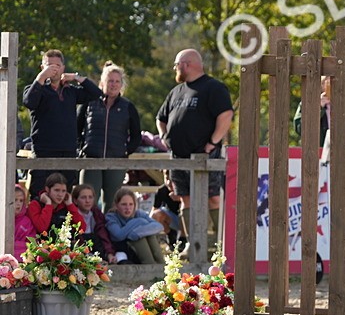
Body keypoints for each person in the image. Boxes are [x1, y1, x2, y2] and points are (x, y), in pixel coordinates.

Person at [156, 49, 233, 245]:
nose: (175, 69)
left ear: (186, 64)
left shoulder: (213, 87)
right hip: (179, 157)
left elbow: (225, 115)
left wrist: (212, 142)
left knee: (213, 198)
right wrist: (165, 136)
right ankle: (193, 245)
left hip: (205, 156)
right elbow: (160, 118)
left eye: (176, 65)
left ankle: (222, 247)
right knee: (185, 198)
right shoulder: (176, 91)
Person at [22, 49, 101, 197]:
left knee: (64, 196)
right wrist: (41, 77)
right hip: (43, 152)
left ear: (63, 68)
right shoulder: (36, 89)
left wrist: (76, 77)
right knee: (40, 195)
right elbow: (29, 102)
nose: (53, 69)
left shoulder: (71, 91)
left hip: (67, 152)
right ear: (42, 67)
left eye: (57, 65)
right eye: (49, 65)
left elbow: (96, 94)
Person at [78, 62, 142, 212]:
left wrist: (125, 152)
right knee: (87, 201)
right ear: (102, 82)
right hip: (91, 159)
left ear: (121, 85)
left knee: (112, 203)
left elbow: (136, 136)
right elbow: (76, 128)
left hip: (116, 161)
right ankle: (86, 228)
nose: (113, 84)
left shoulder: (128, 107)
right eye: (110, 81)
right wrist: (81, 149)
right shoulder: (89, 103)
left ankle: (108, 228)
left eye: (117, 81)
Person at [105, 186, 167, 266]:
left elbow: (159, 226)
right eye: (124, 204)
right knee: (140, 238)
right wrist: (139, 221)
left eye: (131, 204)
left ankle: (161, 265)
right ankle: (150, 265)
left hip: (139, 248)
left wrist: (136, 233)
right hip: (122, 250)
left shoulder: (138, 213)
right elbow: (119, 235)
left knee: (149, 235)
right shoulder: (111, 217)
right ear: (116, 205)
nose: (128, 208)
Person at [27, 172, 86, 239]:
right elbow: (41, 228)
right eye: (56, 190)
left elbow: (82, 228)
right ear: (47, 189)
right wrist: (48, 204)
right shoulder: (35, 204)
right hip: (41, 243)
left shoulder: (67, 205)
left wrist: (70, 205)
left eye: (63, 191)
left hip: (63, 244)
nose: (60, 194)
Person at [72, 183, 116, 264]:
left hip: (96, 250)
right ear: (75, 200)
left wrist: (109, 253)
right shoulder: (71, 215)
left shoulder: (97, 215)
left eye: (90, 197)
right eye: (83, 197)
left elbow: (103, 236)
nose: (87, 201)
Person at [293, 75, 331, 147]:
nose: (330, 85)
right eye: (327, 82)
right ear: (321, 84)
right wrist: (319, 107)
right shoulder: (309, 103)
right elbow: (300, 128)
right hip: (315, 149)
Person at [12, 184, 35, 259]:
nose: (18, 203)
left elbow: (31, 245)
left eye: (21, 200)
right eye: (15, 200)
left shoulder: (26, 222)